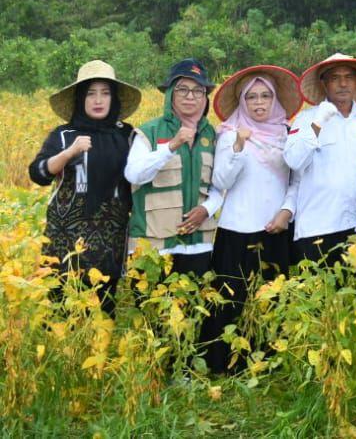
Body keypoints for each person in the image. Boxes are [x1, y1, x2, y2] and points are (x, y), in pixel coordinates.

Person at [201, 65, 300, 374]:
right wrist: (239, 147)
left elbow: (296, 181)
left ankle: (267, 361)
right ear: (243, 101)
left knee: (270, 295)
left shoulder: (286, 133)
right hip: (237, 227)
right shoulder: (229, 133)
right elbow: (221, 179)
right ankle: (224, 363)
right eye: (252, 97)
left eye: (266, 96)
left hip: (275, 227)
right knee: (231, 296)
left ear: (274, 99)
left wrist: (286, 211)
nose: (259, 103)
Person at [28, 60, 141, 314]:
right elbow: (38, 173)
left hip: (110, 241)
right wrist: (69, 153)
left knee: (103, 313)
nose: (98, 100)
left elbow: (142, 177)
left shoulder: (128, 135)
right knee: (61, 311)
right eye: (91, 94)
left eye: (105, 93)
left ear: (114, 99)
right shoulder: (64, 134)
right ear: (81, 99)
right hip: (65, 243)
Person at [283, 53, 356, 265]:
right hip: (317, 227)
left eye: (348, 77)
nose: (342, 83)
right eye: (334, 78)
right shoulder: (305, 119)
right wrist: (318, 122)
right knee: (317, 293)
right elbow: (294, 161)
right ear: (324, 83)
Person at [124, 59, 221, 279]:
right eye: (182, 89)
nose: (190, 96)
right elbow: (133, 174)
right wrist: (171, 146)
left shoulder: (212, 135)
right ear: (170, 95)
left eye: (198, 90)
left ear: (205, 97)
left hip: (199, 244)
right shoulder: (149, 132)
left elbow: (220, 185)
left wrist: (207, 209)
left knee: (192, 309)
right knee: (149, 310)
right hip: (152, 245)